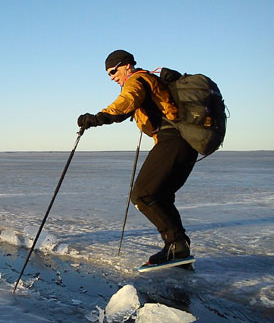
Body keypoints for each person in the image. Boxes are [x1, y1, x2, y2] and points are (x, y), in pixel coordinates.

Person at [77, 50, 197, 265]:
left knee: (142, 195)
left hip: (173, 140)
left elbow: (124, 104)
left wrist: (95, 119)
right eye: (109, 75)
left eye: (113, 71)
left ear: (126, 66)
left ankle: (177, 246)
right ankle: (178, 248)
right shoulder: (148, 79)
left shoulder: (137, 79)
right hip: (184, 143)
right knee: (160, 195)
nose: (112, 77)